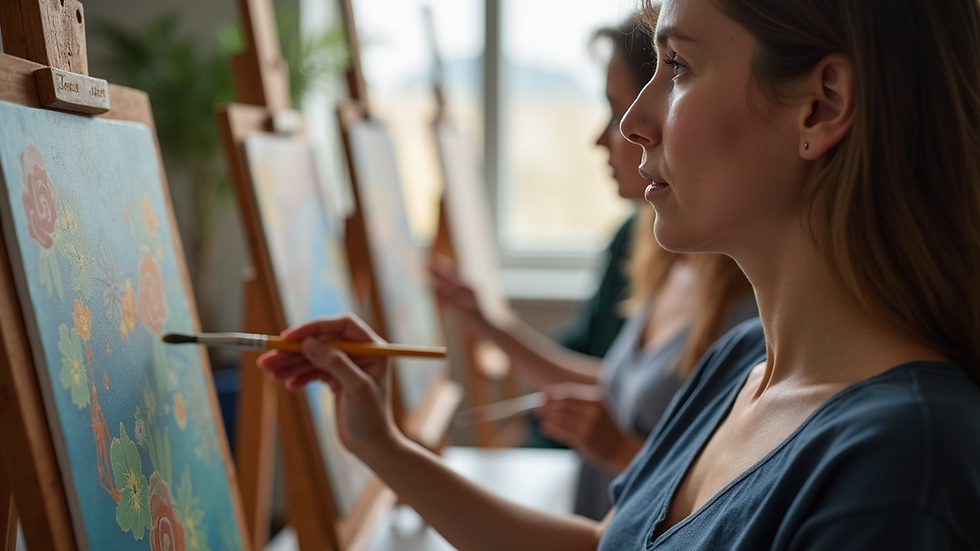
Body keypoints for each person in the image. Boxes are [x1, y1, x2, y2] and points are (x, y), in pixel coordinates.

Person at [258, 0, 980, 547]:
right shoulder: (741, 365)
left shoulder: (902, 458)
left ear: (820, 106)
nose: (633, 122)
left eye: (681, 68)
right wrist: (382, 445)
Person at [428, 12, 756, 520]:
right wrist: (484, 320)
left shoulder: (750, 313)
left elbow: (725, 503)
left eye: (616, 107)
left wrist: (621, 450)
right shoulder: (659, 253)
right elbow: (612, 383)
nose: (616, 132)